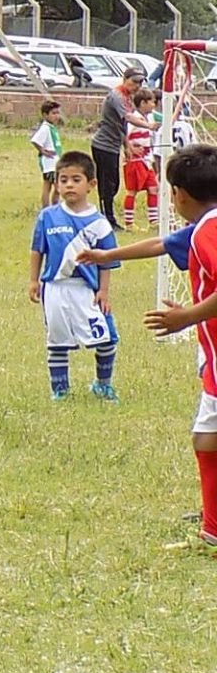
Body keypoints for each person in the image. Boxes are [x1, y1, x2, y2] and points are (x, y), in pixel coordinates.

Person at [78, 145, 217, 549]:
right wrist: (108, 254)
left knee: (206, 437)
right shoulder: (205, 225)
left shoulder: (209, 230)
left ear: (180, 195)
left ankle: (212, 529)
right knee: (207, 437)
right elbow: (163, 245)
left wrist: (185, 317)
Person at [27, 151, 120, 403]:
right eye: (63, 179)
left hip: (85, 289)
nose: (69, 184)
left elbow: (107, 260)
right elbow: (37, 249)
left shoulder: (98, 223)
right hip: (55, 288)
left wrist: (103, 291)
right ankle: (60, 389)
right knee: (57, 340)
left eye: (76, 179)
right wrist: (34, 280)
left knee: (107, 337)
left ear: (91, 185)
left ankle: (103, 384)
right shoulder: (48, 216)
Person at [92, 67, 156, 228]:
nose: (137, 86)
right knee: (107, 184)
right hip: (103, 145)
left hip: (114, 145)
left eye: (140, 82)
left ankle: (108, 217)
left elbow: (121, 126)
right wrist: (148, 125)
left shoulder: (127, 97)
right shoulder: (117, 96)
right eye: (134, 81)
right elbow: (127, 118)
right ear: (125, 79)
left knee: (114, 184)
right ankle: (107, 220)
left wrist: (126, 145)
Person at [123, 88, 160, 232]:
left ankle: (153, 221)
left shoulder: (150, 118)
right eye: (151, 101)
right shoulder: (133, 119)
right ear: (143, 103)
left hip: (147, 158)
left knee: (153, 188)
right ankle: (129, 223)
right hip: (135, 160)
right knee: (132, 190)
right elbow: (124, 134)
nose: (153, 104)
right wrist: (130, 147)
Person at [31, 100, 64, 209]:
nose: (56, 116)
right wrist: (42, 150)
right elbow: (35, 140)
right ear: (45, 115)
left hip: (55, 162)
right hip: (50, 163)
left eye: (57, 113)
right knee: (53, 187)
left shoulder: (51, 128)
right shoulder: (45, 128)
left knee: (54, 186)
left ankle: (53, 207)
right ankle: (49, 208)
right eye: (53, 113)